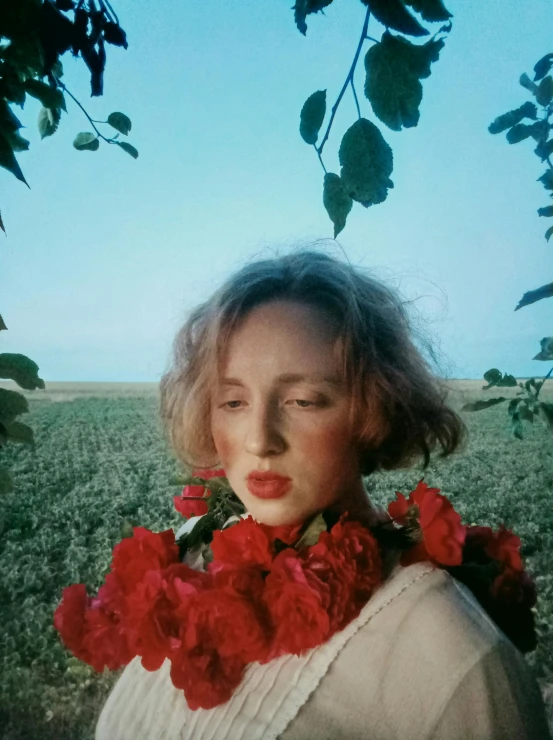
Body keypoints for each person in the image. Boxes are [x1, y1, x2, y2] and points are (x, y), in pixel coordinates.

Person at [95, 247, 552, 739]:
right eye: (232, 401)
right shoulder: (191, 560)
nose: (258, 440)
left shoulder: (450, 654)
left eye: (303, 400)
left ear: (375, 407)